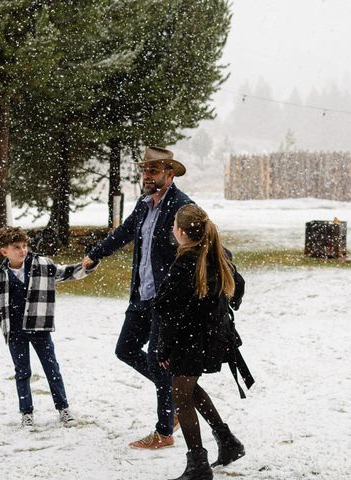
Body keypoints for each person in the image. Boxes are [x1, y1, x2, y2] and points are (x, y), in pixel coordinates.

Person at [81, 146, 193, 448]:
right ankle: (172, 394)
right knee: (126, 349)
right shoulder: (144, 204)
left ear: (169, 174)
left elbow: (201, 246)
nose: (146, 175)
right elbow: (124, 232)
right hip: (141, 295)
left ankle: (165, 431)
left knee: (159, 364)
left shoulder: (182, 208)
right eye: (144, 170)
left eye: (153, 171)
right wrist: (95, 255)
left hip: (166, 301)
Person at [153, 204, 252, 480]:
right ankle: (228, 443)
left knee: (181, 392)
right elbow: (238, 287)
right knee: (187, 386)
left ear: (181, 232)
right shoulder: (219, 254)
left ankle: (198, 464)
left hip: (193, 338)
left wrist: (163, 347)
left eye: (174, 225)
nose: (173, 228)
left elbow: (166, 309)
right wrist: (223, 304)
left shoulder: (185, 262)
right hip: (212, 336)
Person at [0, 226, 97, 428]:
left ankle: (63, 409)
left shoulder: (42, 265)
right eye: (16, 247)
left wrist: (86, 266)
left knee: (52, 368)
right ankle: (26, 412)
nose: (23, 250)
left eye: (25, 246)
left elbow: (66, 273)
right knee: (22, 372)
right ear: (4, 252)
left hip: (40, 329)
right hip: (15, 332)